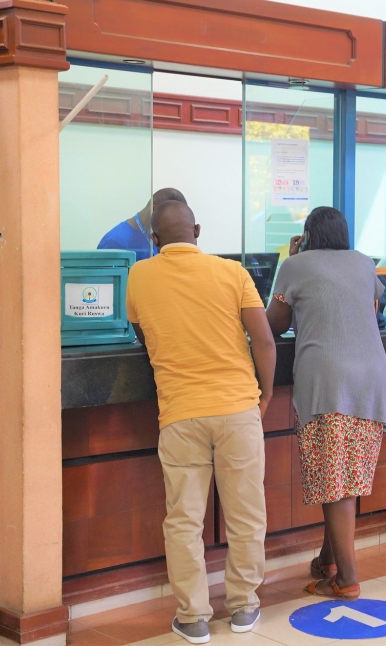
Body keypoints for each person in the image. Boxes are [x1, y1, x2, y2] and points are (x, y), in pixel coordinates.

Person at [126, 200, 277, 644]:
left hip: (180, 414)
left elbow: (141, 330)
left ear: (155, 241)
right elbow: (264, 339)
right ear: (197, 229)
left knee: (184, 520)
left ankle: (192, 616)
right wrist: (265, 394)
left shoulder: (140, 275)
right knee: (247, 514)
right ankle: (244, 606)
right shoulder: (232, 274)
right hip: (237, 410)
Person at [265, 206, 386, 601]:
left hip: (328, 381)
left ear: (306, 234)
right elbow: (375, 301)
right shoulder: (363, 263)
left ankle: (348, 580)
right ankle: (329, 562)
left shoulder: (296, 265)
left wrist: (291, 259)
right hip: (372, 380)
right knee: (346, 475)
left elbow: (274, 324)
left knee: (334, 481)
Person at [99, 187, 187, 261]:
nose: (172, 229)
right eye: (171, 222)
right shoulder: (113, 243)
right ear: (155, 211)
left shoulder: (155, 234)